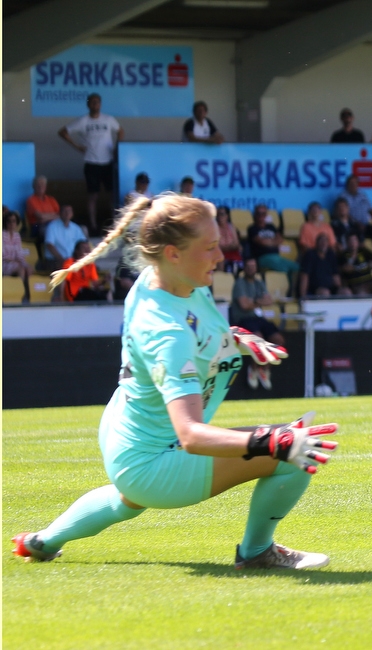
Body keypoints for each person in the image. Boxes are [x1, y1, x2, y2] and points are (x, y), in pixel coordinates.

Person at [13, 194, 336, 570]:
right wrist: (275, 440)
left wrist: (236, 340)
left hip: (125, 434)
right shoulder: (165, 330)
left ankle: (41, 541)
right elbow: (192, 435)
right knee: (295, 453)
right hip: (153, 461)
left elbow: (193, 330)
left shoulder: (170, 278)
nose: (221, 256)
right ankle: (257, 552)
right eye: (211, 247)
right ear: (173, 253)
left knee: (126, 500)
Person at [58, 93, 123, 233]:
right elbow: (62, 132)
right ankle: (93, 224)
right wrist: (77, 146)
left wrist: (117, 148)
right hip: (91, 162)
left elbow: (121, 131)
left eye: (98, 102)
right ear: (88, 104)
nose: (95, 104)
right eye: (93, 102)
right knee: (93, 195)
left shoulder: (108, 119)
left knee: (112, 193)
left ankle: (115, 223)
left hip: (108, 161)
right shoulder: (83, 121)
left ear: (100, 104)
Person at [231, 257, 288, 390]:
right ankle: (253, 368)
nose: (251, 269)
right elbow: (244, 306)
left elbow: (269, 300)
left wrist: (254, 302)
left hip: (257, 318)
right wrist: (258, 301)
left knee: (279, 340)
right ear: (244, 268)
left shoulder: (259, 282)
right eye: (248, 266)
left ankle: (263, 369)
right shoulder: (240, 283)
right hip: (243, 320)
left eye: (253, 266)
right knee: (259, 338)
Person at [247, 204, 299, 295]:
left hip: (277, 257)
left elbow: (280, 240)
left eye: (263, 213)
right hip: (263, 258)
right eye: (258, 213)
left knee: (296, 267)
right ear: (255, 215)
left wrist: (269, 242)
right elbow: (261, 242)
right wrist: (273, 242)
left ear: (266, 215)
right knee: (284, 268)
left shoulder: (271, 226)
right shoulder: (252, 228)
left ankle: (293, 292)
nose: (261, 216)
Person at [42, 205, 87, 272]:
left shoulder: (76, 228)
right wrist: (62, 260)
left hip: (72, 260)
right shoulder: (52, 226)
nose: (67, 213)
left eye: (69, 211)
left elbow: (83, 244)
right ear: (60, 213)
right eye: (64, 211)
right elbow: (49, 245)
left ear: (72, 214)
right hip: (55, 260)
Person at [299, 233, 343, 298]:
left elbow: (335, 275)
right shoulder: (310, 255)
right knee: (325, 293)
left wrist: (339, 288)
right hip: (315, 288)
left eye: (325, 241)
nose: (323, 243)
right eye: (321, 241)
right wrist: (302, 296)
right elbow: (305, 276)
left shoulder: (331, 255)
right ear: (316, 243)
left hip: (330, 287)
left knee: (346, 292)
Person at [3, 210, 32, 301]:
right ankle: (24, 295)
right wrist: (17, 262)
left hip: (14, 263)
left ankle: (31, 294)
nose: (11, 223)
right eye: (9, 221)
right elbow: (3, 255)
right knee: (20, 269)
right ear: (5, 222)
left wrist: (24, 263)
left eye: (14, 221)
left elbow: (19, 254)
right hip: (3, 264)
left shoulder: (17, 236)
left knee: (28, 268)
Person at [25, 175, 60, 242]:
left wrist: (45, 217)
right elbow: (40, 217)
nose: (40, 186)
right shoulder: (31, 200)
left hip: (54, 224)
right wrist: (54, 215)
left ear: (45, 187)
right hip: (37, 226)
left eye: (42, 184)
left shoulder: (51, 199)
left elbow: (60, 215)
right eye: (38, 184)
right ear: (33, 186)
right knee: (49, 231)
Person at [215, 205, 243, 274]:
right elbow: (217, 246)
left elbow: (236, 244)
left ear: (227, 216)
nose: (219, 217)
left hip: (232, 253)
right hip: (220, 254)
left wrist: (225, 247)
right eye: (218, 215)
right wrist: (230, 247)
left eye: (222, 214)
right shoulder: (214, 228)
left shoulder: (231, 227)